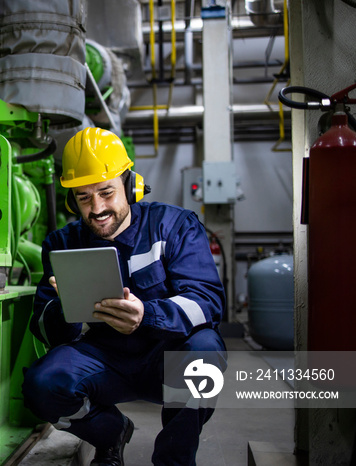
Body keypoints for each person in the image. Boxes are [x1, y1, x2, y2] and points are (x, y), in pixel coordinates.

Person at [22, 127, 227, 466]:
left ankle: (173, 460)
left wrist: (148, 314)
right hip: (105, 361)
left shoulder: (174, 226)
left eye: (106, 192)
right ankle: (111, 432)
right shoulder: (62, 243)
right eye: (83, 197)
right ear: (72, 200)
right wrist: (63, 307)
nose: (97, 208)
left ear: (131, 186)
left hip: (166, 356)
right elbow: (44, 327)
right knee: (42, 385)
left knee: (204, 351)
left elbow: (207, 302)